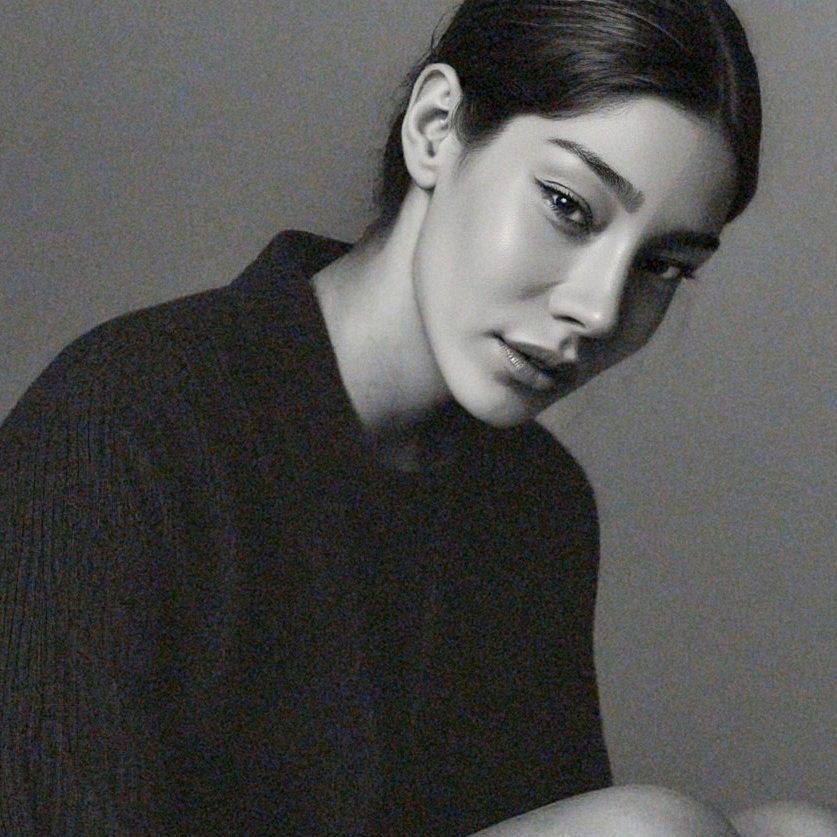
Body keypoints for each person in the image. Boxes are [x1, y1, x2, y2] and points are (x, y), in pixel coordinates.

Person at [1, 1, 834, 834]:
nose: (598, 307)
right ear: (435, 128)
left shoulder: (537, 502)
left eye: (661, 265)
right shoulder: (123, 424)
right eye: (567, 206)